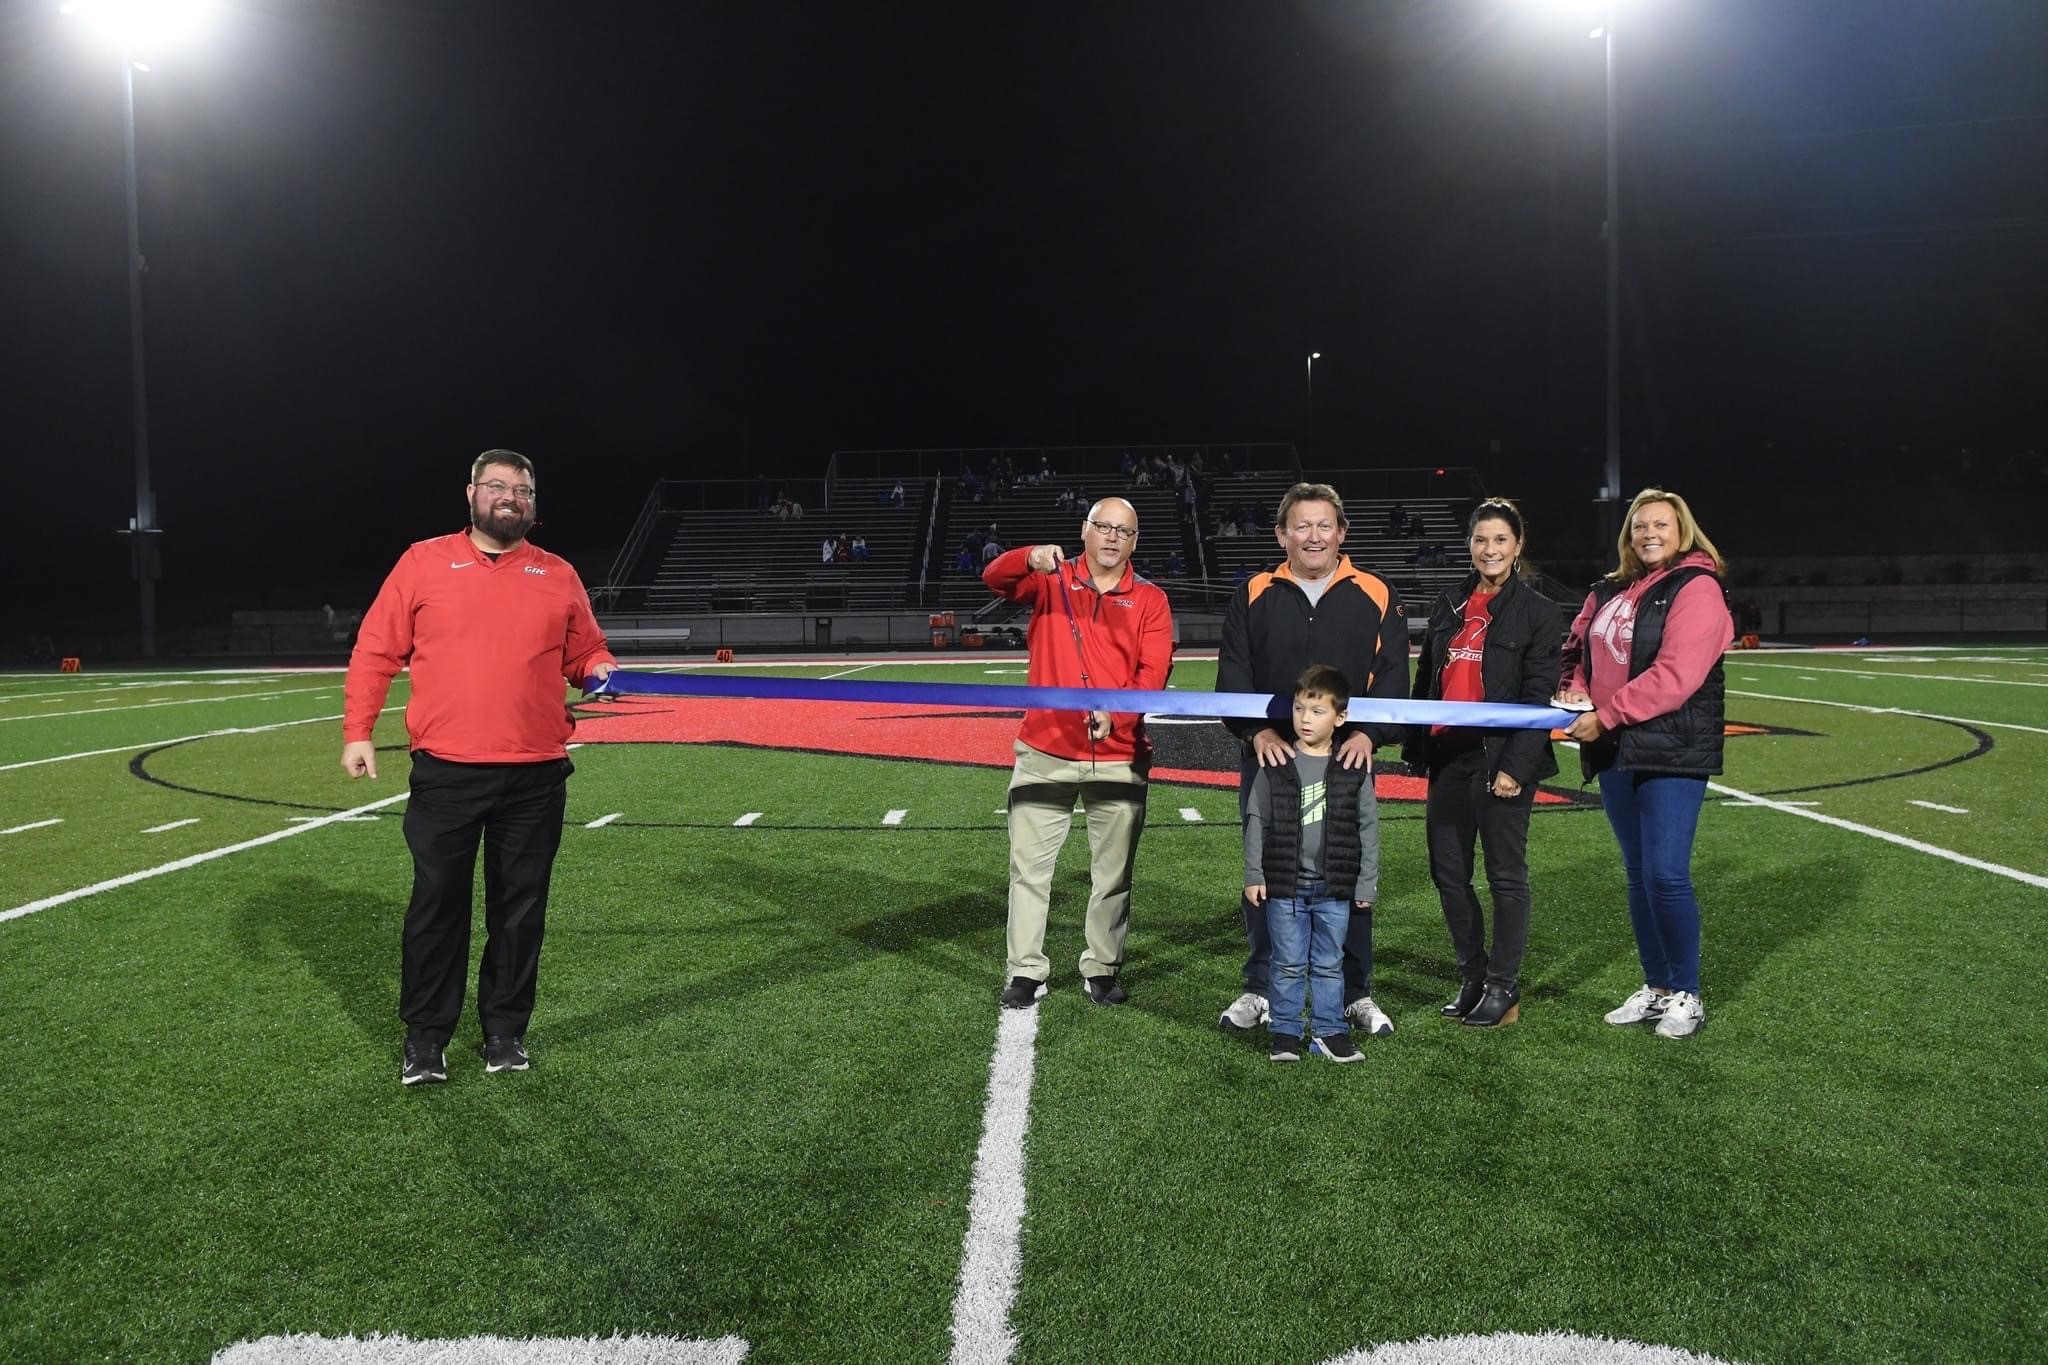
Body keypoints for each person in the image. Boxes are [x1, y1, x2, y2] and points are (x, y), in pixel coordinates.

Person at [341, 450, 616, 1086]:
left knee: (520, 909)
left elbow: (587, 651)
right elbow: (376, 651)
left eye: (522, 489)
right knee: (437, 905)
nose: (510, 497)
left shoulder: (557, 572)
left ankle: (504, 1032)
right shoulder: (422, 561)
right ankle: (426, 1038)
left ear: (533, 502)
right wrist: (358, 732)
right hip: (447, 771)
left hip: (536, 772)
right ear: (470, 493)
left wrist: (599, 670)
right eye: (497, 486)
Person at [1216, 482, 1409, 1038]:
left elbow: (1395, 675)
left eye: (1325, 525)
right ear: (1282, 534)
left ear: (1342, 532)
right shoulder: (1254, 590)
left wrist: (1369, 734)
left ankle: (1354, 992)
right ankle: (1260, 987)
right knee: (1269, 869)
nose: (1314, 535)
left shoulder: (1374, 591)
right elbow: (1233, 671)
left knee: (1344, 867)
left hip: (1346, 760)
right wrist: (1256, 733)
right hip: (1271, 758)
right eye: (1301, 525)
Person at [982, 498, 1174, 1009]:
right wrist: (1029, 557)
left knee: (1112, 874)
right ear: (1084, 531)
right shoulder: (1051, 579)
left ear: (1135, 542)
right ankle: (1025, 970)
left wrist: (1117, 715)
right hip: (1044, 747)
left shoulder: (1152, 599)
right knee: (1029, 870)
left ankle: (1102, 967)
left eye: (1124, 531)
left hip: (1119, 752)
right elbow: (995, 579)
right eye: (1103, 527)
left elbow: (1152, 676)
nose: (1112, 537)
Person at [1557, 488, 1733, 1041]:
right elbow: (1575, 650)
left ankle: (1688, 992)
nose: (1649, 534)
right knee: (1638, 873)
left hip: (1670, 746)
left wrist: (1606, 716)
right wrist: (1578, 691)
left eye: (1661, 524)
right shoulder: (1609, 589)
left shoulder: (1697, 586)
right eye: (1639, 526)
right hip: (1616, 748)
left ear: (1683, 531)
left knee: (1666, 873)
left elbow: (1678, 675)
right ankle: (1657, 987)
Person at [1405, 497, 1561, 1029]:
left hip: (1501, 760)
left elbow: (1538, 696)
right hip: (1449, 756)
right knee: (1449, 873)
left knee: (1504, 876)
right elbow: (1427, 681)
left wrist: (1516, 766)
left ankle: (1503, 985)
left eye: (1500, 540)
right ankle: (1472, 975)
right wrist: (1417, 748)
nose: (1489, 549)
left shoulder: (1538, 612)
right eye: (1480, 539)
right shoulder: (1449, 602)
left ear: (1517, 547)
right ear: (1469, 545)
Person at [1245, 665, 1378, 1064]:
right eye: (1300, 708)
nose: (1305, 718)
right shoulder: (1276, 764)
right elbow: (1257, 820)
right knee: (1286, 963)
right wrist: (1254, 874)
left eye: (1317, 711)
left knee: (1328, 963)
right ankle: (1284, 1032)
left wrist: (1366, 883)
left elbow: (1369, 827)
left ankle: (1329, 1031)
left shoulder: (1353, 768)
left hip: (1334, 888)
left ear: (1341, 718)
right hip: (1285, 885)